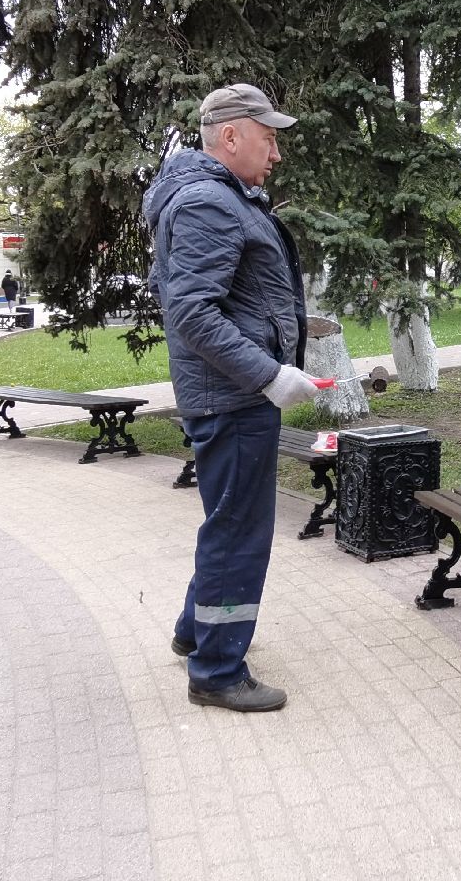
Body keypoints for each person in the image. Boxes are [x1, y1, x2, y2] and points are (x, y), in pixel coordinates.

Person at [143, 82, 313, 713]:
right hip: (234, 397)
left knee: (228, 523)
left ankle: (196, 633)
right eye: (268, 139)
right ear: (232, 135)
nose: (276, 154)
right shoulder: (209, 204)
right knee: (239, 534)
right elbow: (191, 311)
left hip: (230, 396)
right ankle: (216, 670)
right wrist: (268, 375)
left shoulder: (216, 198)